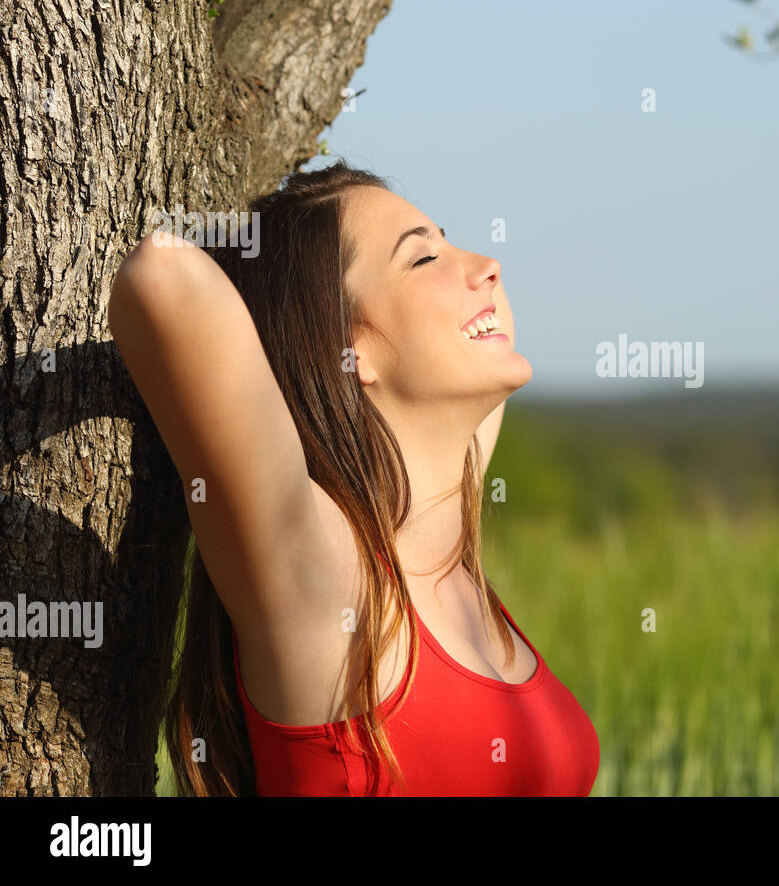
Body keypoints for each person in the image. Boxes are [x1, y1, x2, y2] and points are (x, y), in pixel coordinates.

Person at [108, 162, 599, 795]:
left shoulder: (448, 536)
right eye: (423, 260)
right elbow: (164, 272)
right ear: (349, 346)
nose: (486, 264)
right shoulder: (324, 575)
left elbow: (490, 335)